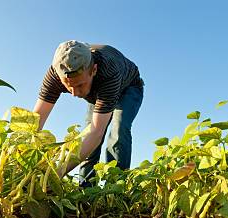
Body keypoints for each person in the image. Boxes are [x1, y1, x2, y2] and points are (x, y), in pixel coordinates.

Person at [33, 40, 144, 186]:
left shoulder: (109, 70)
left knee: (119, 128)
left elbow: (96, 133)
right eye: (68, 86)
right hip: (97, 91)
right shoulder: (55, 74)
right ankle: (86, 190)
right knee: (86, 138)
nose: (74, 93)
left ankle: (116, 188)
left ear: (94, 70)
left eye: (80, 85)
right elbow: (35, 121)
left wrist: (56, 173)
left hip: (128, 87)